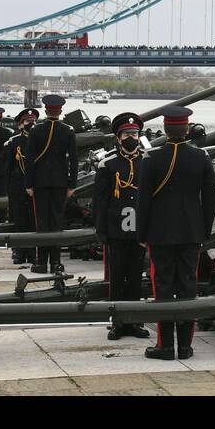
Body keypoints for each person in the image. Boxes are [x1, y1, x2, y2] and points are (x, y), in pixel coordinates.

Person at [136, 105, 215, 361]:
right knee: (187, 287)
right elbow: (210, 199)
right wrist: (204, 230)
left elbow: (143, 201)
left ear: (164, 129)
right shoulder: (201, 157)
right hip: (191, 232)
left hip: (160, 233)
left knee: (162, 288)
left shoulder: (151, 158)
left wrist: (142, 234)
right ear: (187, 128)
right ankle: (185, 346)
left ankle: (164, 346)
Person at [93, 112, 150, 341]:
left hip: (139, 230)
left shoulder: (147, 161)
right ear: (118, 137)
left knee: (136, 277)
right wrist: (101, 229)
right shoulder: (108, 164)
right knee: (116, 278)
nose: (131, 137)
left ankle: (135, 321)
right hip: (116, 229)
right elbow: (100, 201)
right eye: (127, 134)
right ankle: (117, 322)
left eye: (134, 134)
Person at [24, 94, 77, 274]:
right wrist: (72, 185)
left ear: (45, 110)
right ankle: (56, 262)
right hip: (60, 182)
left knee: (42, 223)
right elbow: (74, 161)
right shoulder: (68, 130)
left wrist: (28, 184)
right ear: (61, 110)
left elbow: (29, 159)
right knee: (56, 222)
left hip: (40, 182)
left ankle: (41, 262)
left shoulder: (36, 130)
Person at [5, 108, 39, 263]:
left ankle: (32, 252)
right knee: (19, 220)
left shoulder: (40, 140)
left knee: (33, 221)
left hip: (34, 187)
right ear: (20, 125)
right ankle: (19, 252)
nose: (31, 124)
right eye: (27, 121)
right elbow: (8, 167)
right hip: (18, 186)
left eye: (33, 121)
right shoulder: (14, 142)